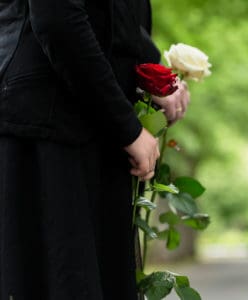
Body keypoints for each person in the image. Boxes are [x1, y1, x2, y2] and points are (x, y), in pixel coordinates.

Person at [0, 0, 187, 298]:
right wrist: (128, 128)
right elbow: (57, 18)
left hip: (90, 128)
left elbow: (112, 16)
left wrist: (154, 74)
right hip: (48, 132)